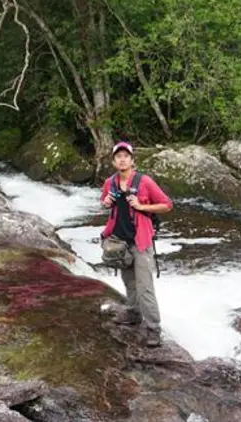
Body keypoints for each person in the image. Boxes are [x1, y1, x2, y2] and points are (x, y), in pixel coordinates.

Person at [100, 141, 173, 346]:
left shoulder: (144, 181)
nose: (122, 159)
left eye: (126, 156)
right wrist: (105, 202)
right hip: (120, 241)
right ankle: (133, 313)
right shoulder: (110, 182)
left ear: (132, 160)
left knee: (145, 287)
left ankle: (153, 329)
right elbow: (104, 200)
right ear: (114, 161)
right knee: (129, 281)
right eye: (118, 157)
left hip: (140, 241)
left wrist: (141, 205)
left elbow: (167, 205)